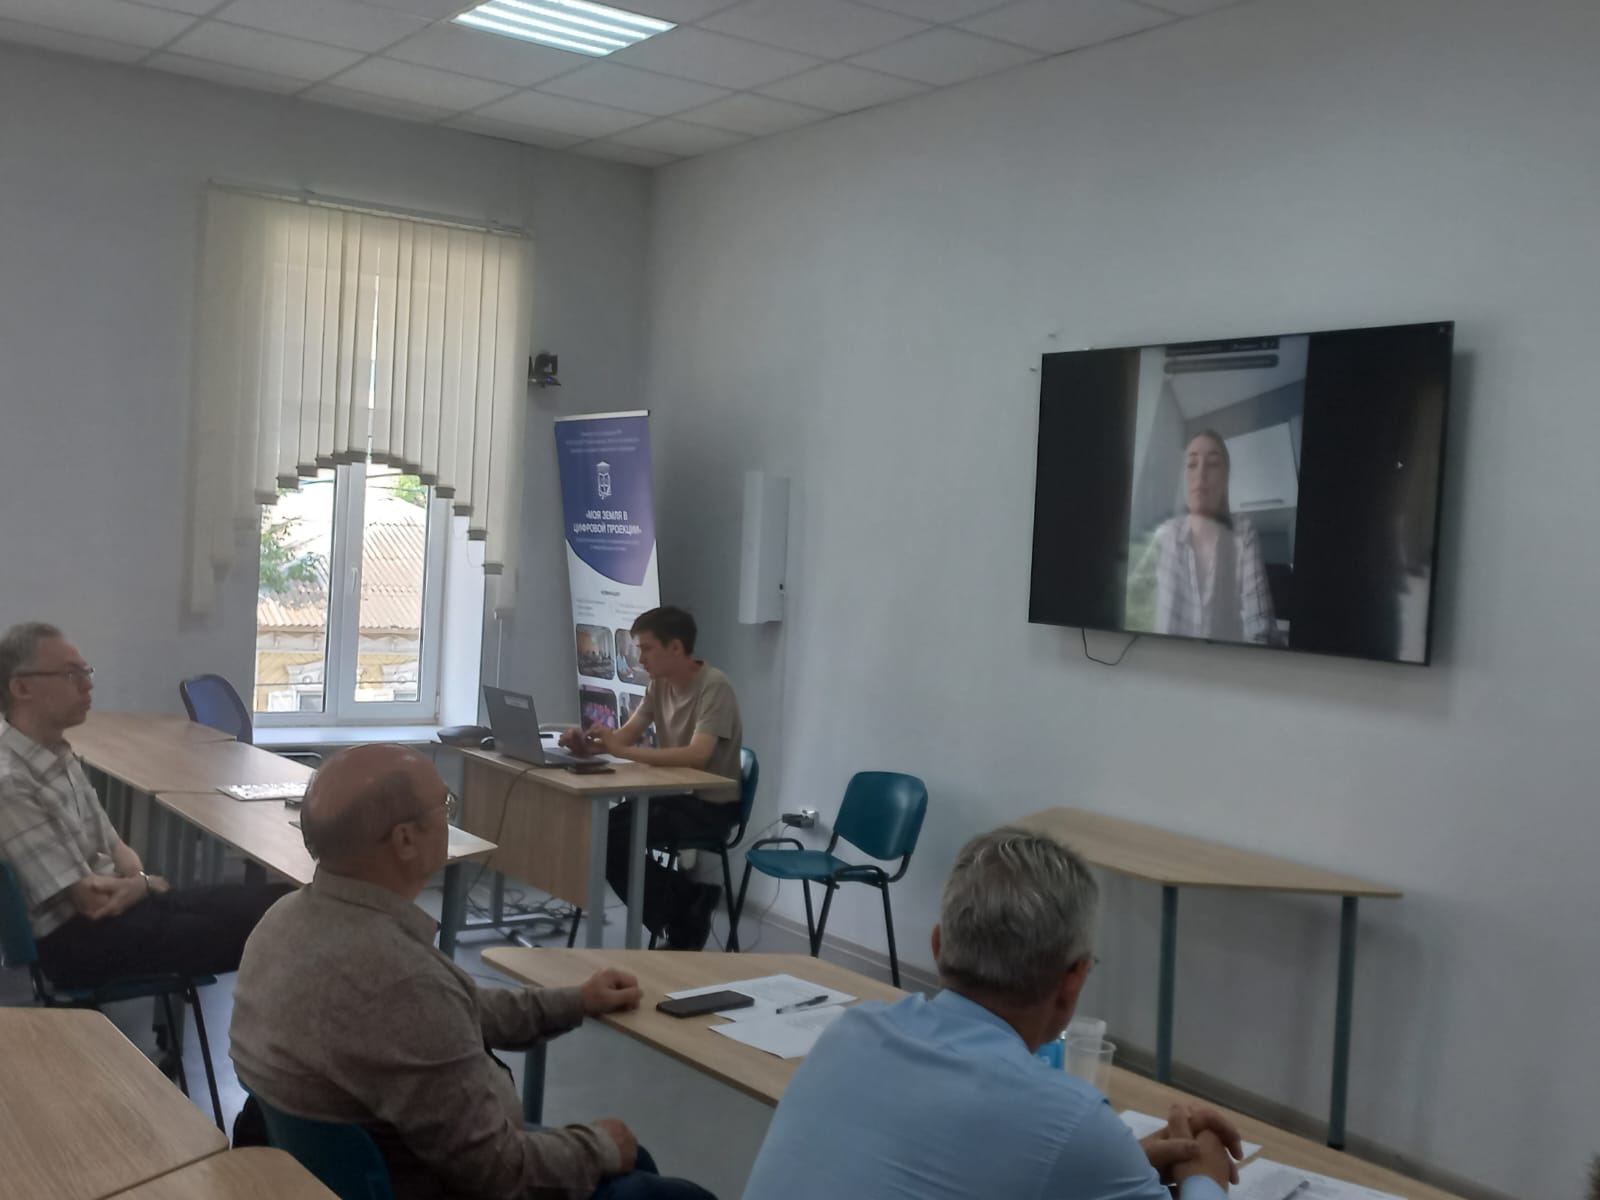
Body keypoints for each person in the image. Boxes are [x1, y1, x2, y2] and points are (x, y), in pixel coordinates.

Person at [230, 742, 716, 1200]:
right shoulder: (402, 979)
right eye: (444, 807)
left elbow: (443, 1007)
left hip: (355, 1170)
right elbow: (500, 1172)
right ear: (405, 840)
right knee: (672, 1190)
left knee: (635, 1164)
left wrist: (575, 1001)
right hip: (439, 1180)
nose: (450, 818)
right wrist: (599, 1147)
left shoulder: (282, 922)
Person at [743, 827, 1243, 1200]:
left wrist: (1117, 1168)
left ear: (938, 947)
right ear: (1074, 978)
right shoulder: (1071, 1119)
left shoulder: (851, 1031)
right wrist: (1205, 1176)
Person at [0, 621, 290, 990]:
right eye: (71, 674)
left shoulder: (55, 751)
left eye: (86, 672)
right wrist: (146, 884)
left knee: (284, 903)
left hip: (123, 912)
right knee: (285, 924)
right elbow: (90, 901)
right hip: (80, 941)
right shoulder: (10, 781)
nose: (87, 685)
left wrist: (136, 882)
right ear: (21, 688)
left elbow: (118, 848)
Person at [560, 607, 742, 951]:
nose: (640, 658)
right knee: (600, 833)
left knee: (612, 837)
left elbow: (697, 756)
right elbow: (624, 737)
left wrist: (621, 749)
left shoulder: (714, 686)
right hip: (674, 796)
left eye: (646, 649)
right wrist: (589, 746)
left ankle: (682, 912)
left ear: (675, 647)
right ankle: (686, 904)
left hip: (709, 806)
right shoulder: (658, 685)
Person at [1130, 430, 1278, 645]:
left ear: (1225, 477)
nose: (1200, 474)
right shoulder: (1166, 533)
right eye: (1192, 464)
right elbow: (1132, 600)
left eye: (1213, 464)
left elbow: (1261, 630)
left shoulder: (1243, 532)